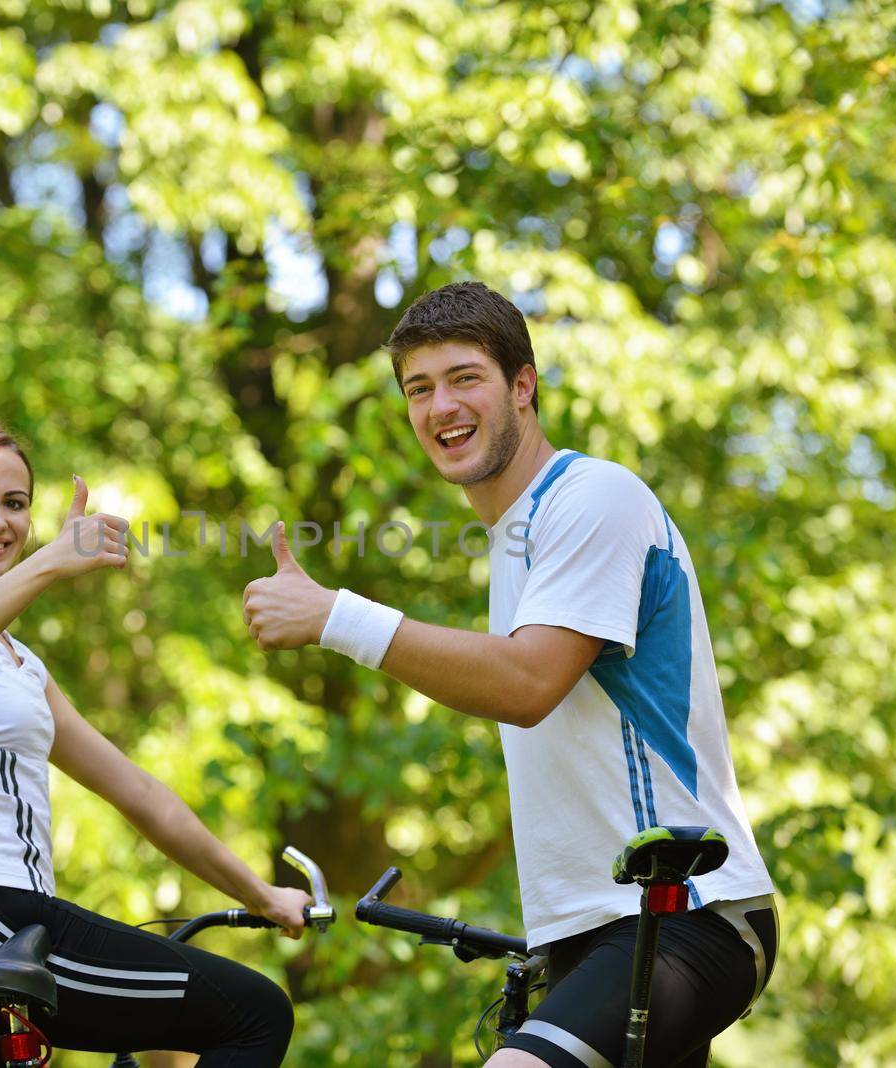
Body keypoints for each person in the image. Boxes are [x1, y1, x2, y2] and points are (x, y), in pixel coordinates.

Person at [242, 282, 777, 1068]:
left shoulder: (593, 498)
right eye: (418, 388)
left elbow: (528, 684)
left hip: (685, 906)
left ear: (522, 385)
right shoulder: (514, 542)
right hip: (589, 930)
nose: (440, 406)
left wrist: (334, 617)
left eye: (465, 378)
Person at [0, 418, 309, 1067]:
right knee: (254, 1014)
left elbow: (139, 794)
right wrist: (49, 562)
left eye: (14, 503)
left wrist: (262, 895)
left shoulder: (21, 667)